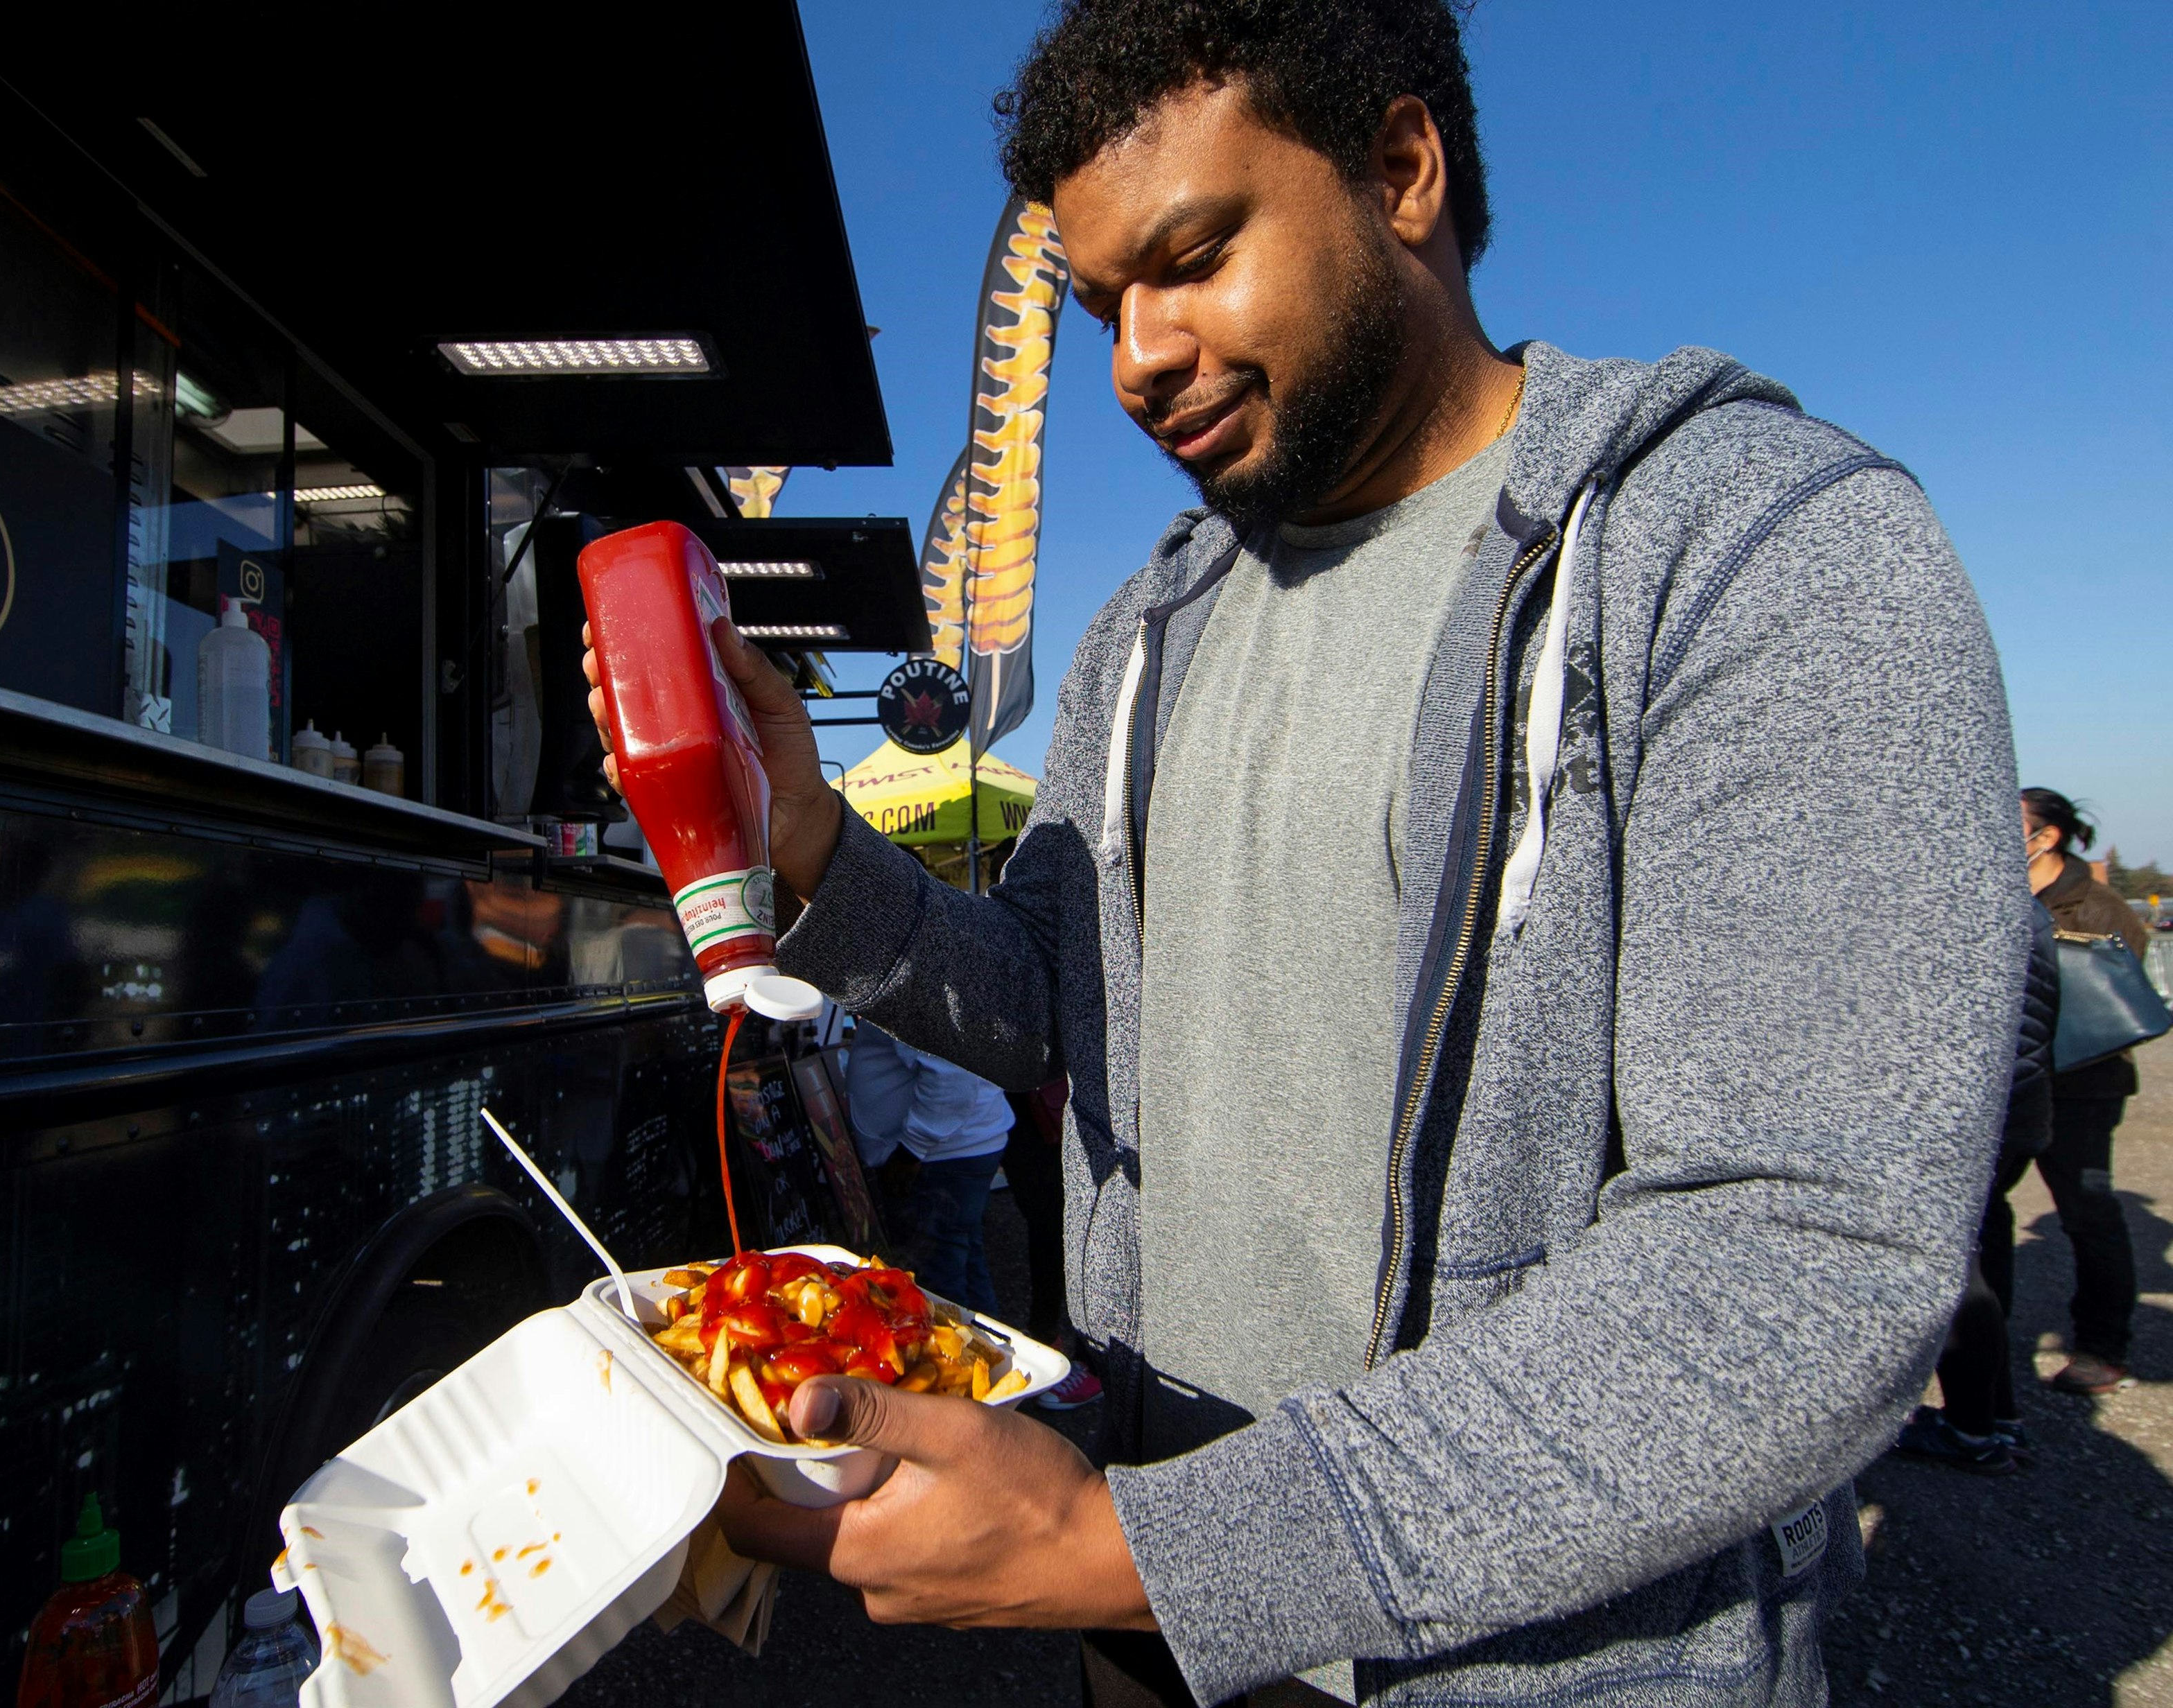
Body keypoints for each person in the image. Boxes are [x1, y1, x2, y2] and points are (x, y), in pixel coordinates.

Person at [584, 1, 2023, 1700]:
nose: (1134, 354)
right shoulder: (1145, 631)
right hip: (1150, 1607)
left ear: (1400, 173)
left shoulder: (1753, 554)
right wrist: (809, 841)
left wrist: (1143, 1552)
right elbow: (1056, 1007)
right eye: (1103, 302)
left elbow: (1804, 1260)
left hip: (1532, 1657)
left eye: (1190, 259)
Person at [1898, 898, 2056, 1473]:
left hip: (1965, 1114)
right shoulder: (2022, 904)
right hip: (2009, 1107)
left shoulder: (1965, 898)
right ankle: (1996, 1416)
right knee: (1972, 1262)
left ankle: (1972, 1429)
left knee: (1953, 1270)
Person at [2023, 786, 2152, 1396]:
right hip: (2018, 1080)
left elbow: (2118, 990)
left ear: (2045, 837)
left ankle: (2103, 1346)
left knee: (2088, 1216)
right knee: (1977, 1214)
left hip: (2082, 1086)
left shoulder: (2095, 906)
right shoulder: (2000, 897)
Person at [844, 1016, 1012, 1314]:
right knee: (966, 1269)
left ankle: (971, 1355)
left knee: (938, 1293)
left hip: (940, 1159)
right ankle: (997, 1351)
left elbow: (952, 1080)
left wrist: (912, 1150)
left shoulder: (917, 979)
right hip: (954, 1152)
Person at [1003, 1077, 1107, 1410]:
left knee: (1072, 1227)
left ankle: (1099, 1366)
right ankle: (1051, 1335)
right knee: (1050, 1225)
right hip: (1030, 1108)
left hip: (1065, 1104)